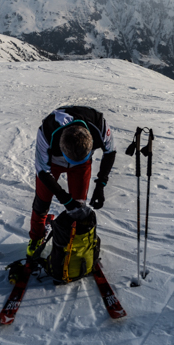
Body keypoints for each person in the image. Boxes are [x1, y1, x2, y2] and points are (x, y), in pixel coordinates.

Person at [27, 105, 116, 256]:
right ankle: (36, 237)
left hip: (81, 165)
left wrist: (101, 185)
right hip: (53, 162)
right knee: (42, 201)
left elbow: (110, 152)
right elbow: (43, 172)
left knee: (79, 204)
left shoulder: (99, 125)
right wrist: (64, 198)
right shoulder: (47, 132)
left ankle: (78, 238)